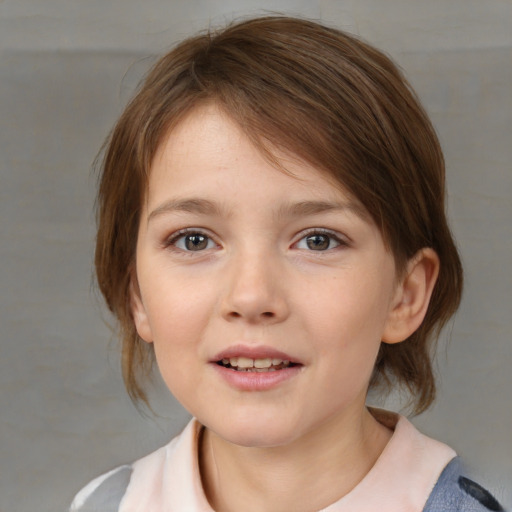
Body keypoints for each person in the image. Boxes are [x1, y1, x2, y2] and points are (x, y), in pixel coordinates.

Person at [70, 16, 505, 512]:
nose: (252, 297)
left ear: (404, 295)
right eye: (193, 240)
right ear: (138, 295)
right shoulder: (105, 503)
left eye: (318, 241)